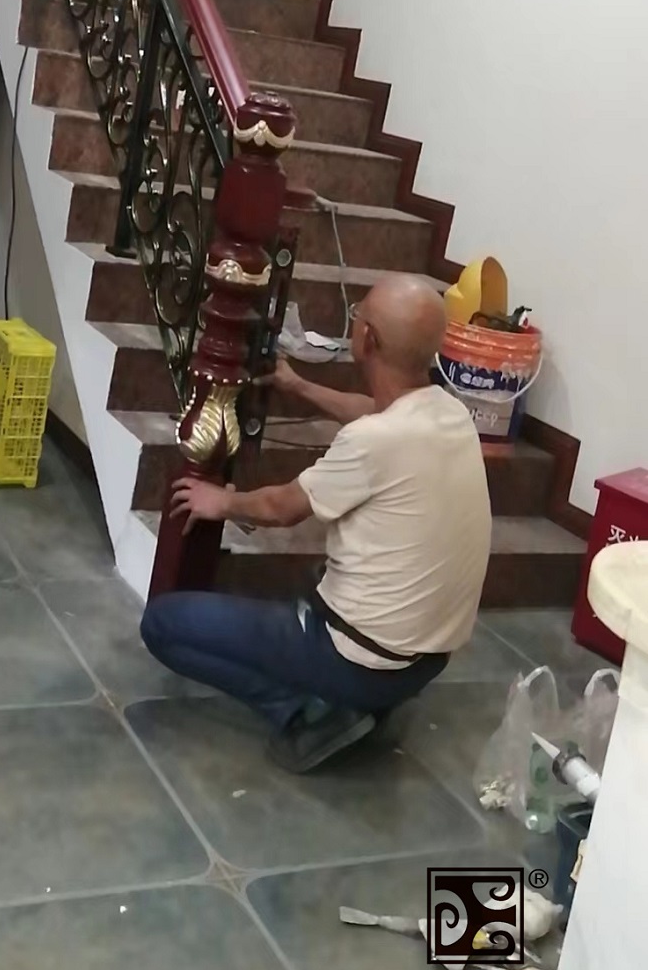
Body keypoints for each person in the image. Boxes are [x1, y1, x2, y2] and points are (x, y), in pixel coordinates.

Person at [140, 274, 492, 773]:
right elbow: (373, 410)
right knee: (314, 586)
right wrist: (298, 385)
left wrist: (222, 501)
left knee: (163, 624)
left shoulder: (372, 442)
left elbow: (281, 508)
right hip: (425, 663)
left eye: (357, 315)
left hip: (360, 660)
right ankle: (361, 699)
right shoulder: (451, 413)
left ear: (367, 339)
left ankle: (310, 712)